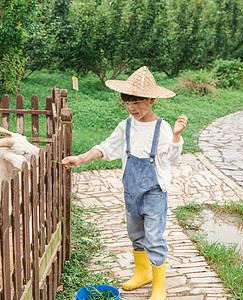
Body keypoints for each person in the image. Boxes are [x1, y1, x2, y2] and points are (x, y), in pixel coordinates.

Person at [62, 66, 187, 300]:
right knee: (135, 234)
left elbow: (171, 159)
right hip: (131, 190)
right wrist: (80, 158)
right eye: (127, 102)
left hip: (154, 192)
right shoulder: (126, 125)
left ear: (151, 100)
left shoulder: (162, 127)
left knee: (154, 237)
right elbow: (106, 147)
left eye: (137, 102)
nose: (132, 108)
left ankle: (159, 285)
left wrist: (177, 136)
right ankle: (142, 273)